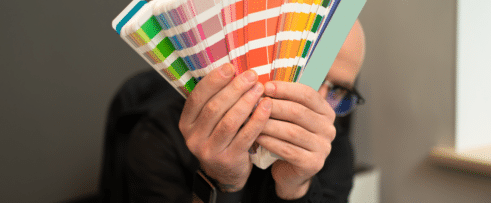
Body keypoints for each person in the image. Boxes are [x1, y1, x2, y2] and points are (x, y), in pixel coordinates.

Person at [104, 20, 365, 203]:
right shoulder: (158, 134)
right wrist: (222, 183)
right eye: (310, 74)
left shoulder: (333, 151)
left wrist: (295, 190)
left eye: (338, 90)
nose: (316, 104)